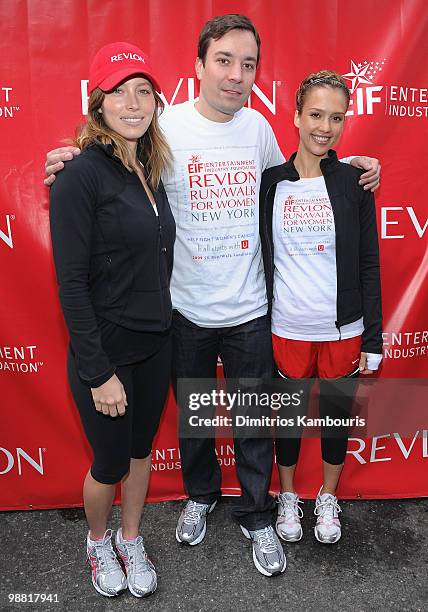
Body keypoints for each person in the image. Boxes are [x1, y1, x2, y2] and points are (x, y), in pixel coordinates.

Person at [44, 15, 381, 576]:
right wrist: (68, 160)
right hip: (181, 310)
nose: (237, 75)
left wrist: (357, 168)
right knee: (195, 417)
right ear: (198, 66)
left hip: (250, 308)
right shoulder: (162, 127)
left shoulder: (258, 131)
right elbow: (115, 171)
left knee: (254, 422)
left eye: (248, 65)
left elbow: (300, 177)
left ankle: (256, 514)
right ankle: (200, 496)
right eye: (224, 60)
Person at [49, 42, 175, 597]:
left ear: (154, 102)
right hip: (106, 350)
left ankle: (130, 537)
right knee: (107, 463)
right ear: (98, 103)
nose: (132, 102)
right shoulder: (80, 176)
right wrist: (99, 372)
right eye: (119, 91)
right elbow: (71, 284)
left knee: (141, 451)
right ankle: (98, 542)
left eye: (142, 91)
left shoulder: (152, 165)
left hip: (156, 342)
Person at [259, 70, 382, 546]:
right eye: (315, 114)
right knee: (286, 419)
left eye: (336, 117)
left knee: (335, 418)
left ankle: (327, 497)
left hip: (343, 330)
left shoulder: (354, 182)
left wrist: (373, 336)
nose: (324, 127)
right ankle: (288, 496)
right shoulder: (271, 182)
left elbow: (368, 262)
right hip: (286, 326)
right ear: (295, 116)